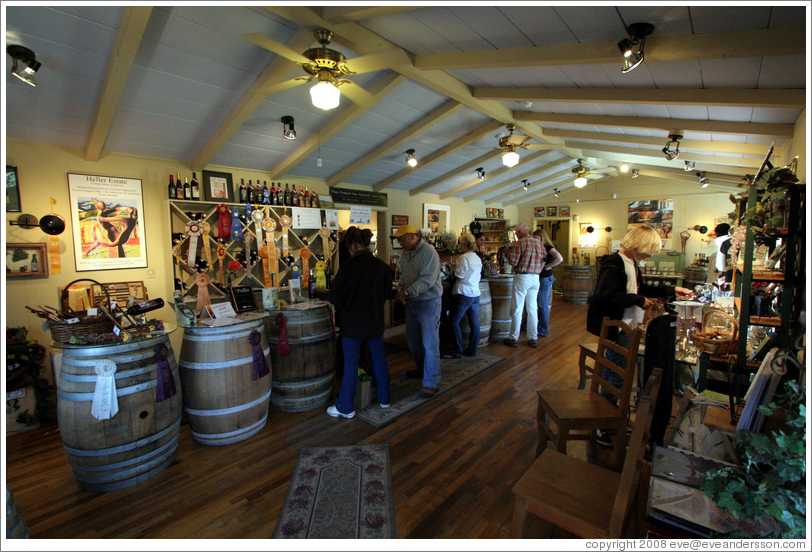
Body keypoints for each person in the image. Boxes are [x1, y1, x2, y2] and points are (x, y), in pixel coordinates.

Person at [586, 225, 692, 447]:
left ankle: (606, 419)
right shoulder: (615, 264)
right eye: (648, 250)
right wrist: (638, 300)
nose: (650, 256)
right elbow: (606, 297)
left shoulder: (630, 262)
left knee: (617, 373)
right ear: (637, 245)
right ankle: (602, 424)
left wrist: (672, 290)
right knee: (616, 375)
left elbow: (640, 288)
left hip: (625, 325)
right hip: (618, 327)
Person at [327, 227, 393, 418]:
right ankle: (385, 399)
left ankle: (346, 407)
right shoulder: (382, 266)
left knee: (351, 365)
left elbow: (335, 298)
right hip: (375, 322)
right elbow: (387, 293)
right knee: (379, 360)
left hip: (352, 324)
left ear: (353, 245)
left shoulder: (347, 267)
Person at [392, 224, 443, 399]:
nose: (399, 243)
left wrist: (406, 292)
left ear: (412, 236)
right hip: (413, 302)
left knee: (430, 343)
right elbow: (404, 276)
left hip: (428, 303)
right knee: (413, 341)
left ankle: (432, 382)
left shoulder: (428, 252)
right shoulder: (406, 253)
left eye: (401, 239)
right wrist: (402, 288)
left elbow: (427, 280)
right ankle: (422, 369)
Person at [502, 223, 546, 348]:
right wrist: (537, 270)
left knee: (517, 308)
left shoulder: (520, 243)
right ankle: (532, 338)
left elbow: (513, 261)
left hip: (522, 276)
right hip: (535, 277)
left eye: (516, 233)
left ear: (520, 233)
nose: (516, 235)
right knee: (532, 308)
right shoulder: (539, 243)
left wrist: (507, 253)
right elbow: (544, 260)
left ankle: (513, 337)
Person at [446, 233, 482, 359]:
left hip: (464, 293)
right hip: (475, 293)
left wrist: (454, 271)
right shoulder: (476, 257)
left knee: (453, 322)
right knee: (474, 323)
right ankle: (472, 350)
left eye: (460, 243)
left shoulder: (464, 257)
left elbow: (460, 275)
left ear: (464, 244)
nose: (460, 245)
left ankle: (457, 351)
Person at [532, 228, 563, 337]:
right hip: (543, 277)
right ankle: (539, 327)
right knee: (540, 302)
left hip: (545, 277)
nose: (535, 240)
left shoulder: (548, 247)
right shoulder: (541, 247)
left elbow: (559, 258)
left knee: (542, 302)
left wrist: (547, 267)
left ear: (542, 237)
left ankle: (543, 329)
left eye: (536, 238)